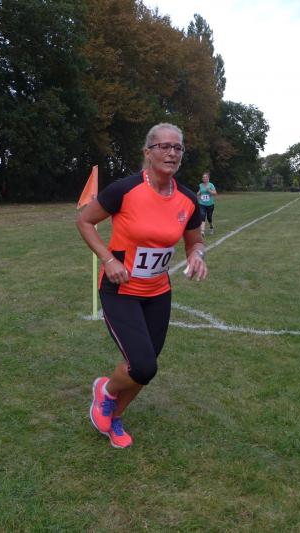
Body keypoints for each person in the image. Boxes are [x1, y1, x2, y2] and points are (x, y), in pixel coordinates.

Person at [76, 123, 208, 448]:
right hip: (120, 290)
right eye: (164, 146)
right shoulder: (125, 190)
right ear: (148, 152)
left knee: (144, 370)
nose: (172, 153)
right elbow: (85, 221)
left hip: (158, 293)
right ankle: (105, 390)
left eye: (177, 148)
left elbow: (195, 242)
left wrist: (197, 255)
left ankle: (114, 417)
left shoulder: (188, 200)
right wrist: (108, 259)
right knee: (143, 364)